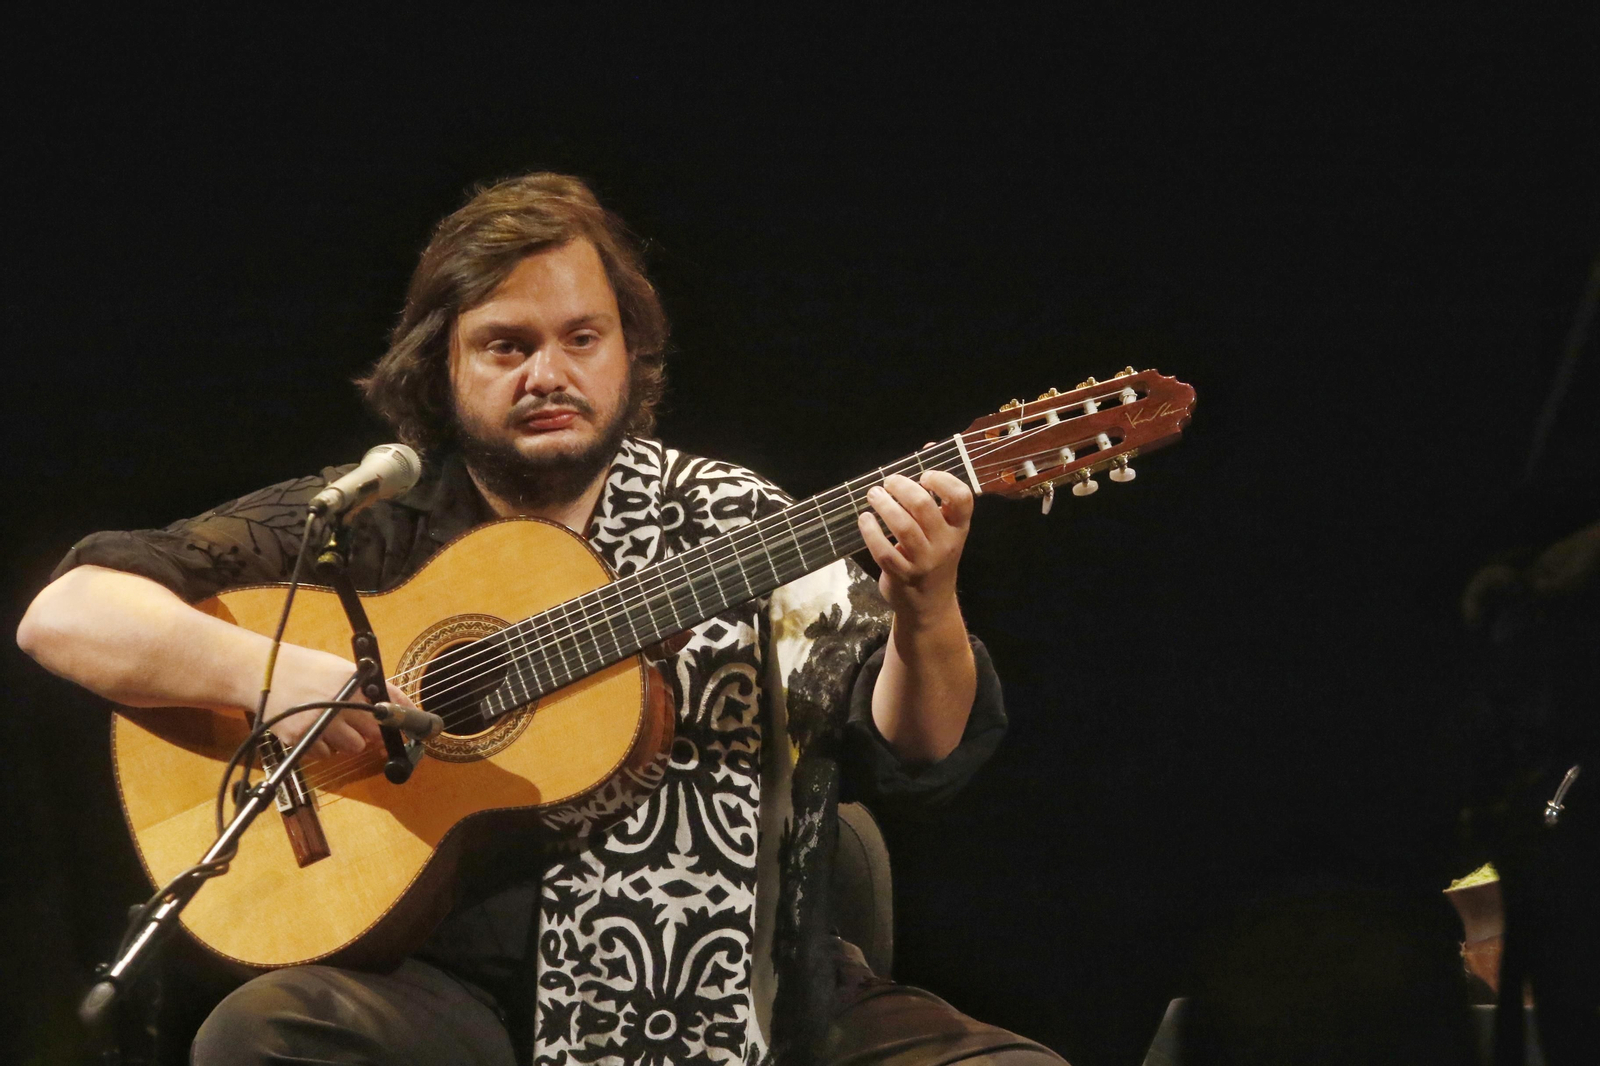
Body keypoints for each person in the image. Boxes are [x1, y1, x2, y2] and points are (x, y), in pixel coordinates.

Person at [18, 173, 1065, 1066]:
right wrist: (281, 678)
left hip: (750, 985)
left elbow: (922, 751)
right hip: (457, 995)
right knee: (264, 1033)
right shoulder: (377, 521)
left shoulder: (737, 517)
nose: (547, 374)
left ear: (629, 353)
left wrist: (925, 602)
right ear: (443, 364)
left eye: (581, 338)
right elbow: (67, 615)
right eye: (506, 344)